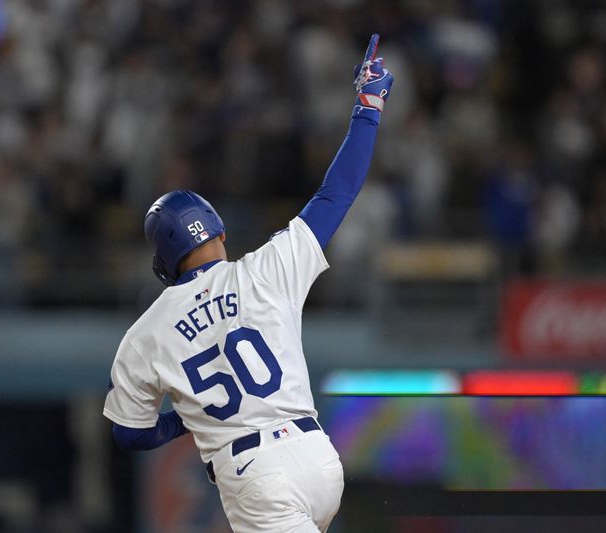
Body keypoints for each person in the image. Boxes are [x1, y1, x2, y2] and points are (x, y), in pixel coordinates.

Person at [103, 34, 393, 532]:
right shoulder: (266, 268)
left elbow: (130, 434)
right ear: (218, 229)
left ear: (164, 261)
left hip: (256, 475)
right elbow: (335, 195)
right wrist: (368, 107)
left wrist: (182, 422)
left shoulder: (145, 334)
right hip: (317, 454)